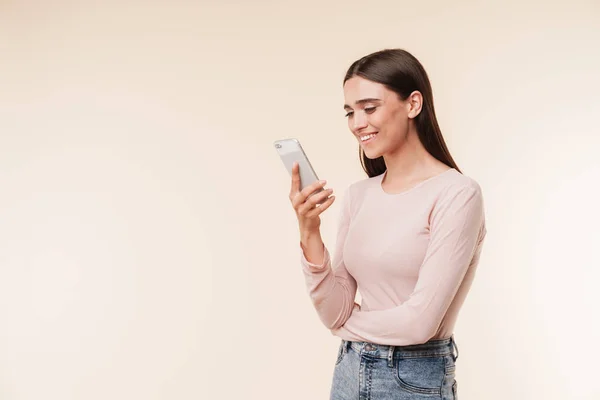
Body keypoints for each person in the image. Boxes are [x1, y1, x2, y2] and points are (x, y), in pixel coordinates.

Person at [288, 48, 487, 400]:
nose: (357, 123)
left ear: (413, 104)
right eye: (350, 112)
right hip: (349, 371)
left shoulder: (457, 194)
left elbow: (420, 322)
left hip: (412, 378)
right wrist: (310, 231)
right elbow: (335, 307)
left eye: (369, 107)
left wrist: (344, 326)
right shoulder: (358, 195)